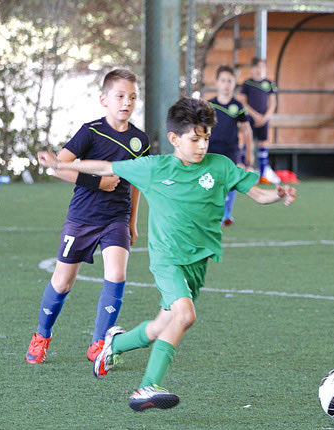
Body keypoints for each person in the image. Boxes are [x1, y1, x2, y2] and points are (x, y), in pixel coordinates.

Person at [37, 97, 296, 411]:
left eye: (206, 139)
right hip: (167, 259)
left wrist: (278, 193)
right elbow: (104, 166)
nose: (202, 146)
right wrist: (59, 164)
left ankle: (113, 344)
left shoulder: (221, 166)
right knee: (185, 316)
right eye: (195, 139)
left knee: (163, 325)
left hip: (198, 262)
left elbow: (257, 194)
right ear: (175, 139)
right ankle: (146, 387)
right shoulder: (155, 168)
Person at [26, 69, 150, 365]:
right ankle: (42, 335)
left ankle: (99, 344)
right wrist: (97, 182)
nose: (126, 102)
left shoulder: (140, 140)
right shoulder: (90, 131)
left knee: (117, 275)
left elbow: (135, 185)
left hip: (116, 219)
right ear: (104, 99)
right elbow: (60, 167)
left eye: (132, 97)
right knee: (62, 282)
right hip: (82, 218)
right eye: (120, 96)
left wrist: (132, 222)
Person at [208, 65, 252, 226]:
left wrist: (249, 152)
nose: (226, 84)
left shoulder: (237, 106)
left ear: (234, 84)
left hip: (231, 149)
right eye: (223, 81)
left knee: (231, 180)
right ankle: (213, 212)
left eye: (230, 81)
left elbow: (246, 129)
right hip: (212, 148)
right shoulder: (209, 105)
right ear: (217, 83)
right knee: (212, 181)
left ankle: (227, 214)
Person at [238, 56, 280, 184]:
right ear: (252, 69)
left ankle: (263, 174)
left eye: (261, 67)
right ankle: (244, 172)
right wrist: (255, 115)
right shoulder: (247, 83)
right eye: (256, 67)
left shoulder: (269, 83)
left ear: (265, 68)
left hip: (264, 120)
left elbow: (273, 103)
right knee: (247, 143)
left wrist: (265, 117)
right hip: (250, 119)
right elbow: (243, 101)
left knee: (263, 144)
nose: (259, 70)